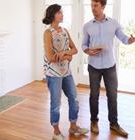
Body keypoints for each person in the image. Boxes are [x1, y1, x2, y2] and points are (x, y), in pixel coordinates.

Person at [82, 0, 135, 137]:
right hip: (94, 66)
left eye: (96, 5)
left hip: (110, 65)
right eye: (92, 5)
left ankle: (114, 124)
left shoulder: (113, 23)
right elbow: (84, 45)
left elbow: (124, 38)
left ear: (103, 6)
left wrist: (131, 40)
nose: (93, 8)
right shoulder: (87, 26)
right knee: (94, 95)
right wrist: (88, 51)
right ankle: (94, 121)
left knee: (112, 95)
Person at [42, 4, 89, 140]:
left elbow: (75, 49)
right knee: (56, 103)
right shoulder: (47, 33)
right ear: (53, 15)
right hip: (53, 74)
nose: (62, 15)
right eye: (59, 13)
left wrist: (65, 54)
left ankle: (73, 127)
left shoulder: (65, 31)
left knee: (74, 98)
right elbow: (51, 57)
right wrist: (68, 56)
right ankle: (56, 131)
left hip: (66, 72)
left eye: (62, 12)